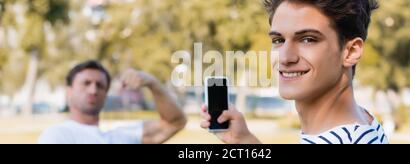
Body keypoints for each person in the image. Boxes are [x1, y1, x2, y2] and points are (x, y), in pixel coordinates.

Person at [200, 0, 388, 144]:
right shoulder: (363, 122)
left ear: (351, 51)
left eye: (308, 39)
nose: (285, 57)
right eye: (278, 40)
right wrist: (244, 140)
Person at [39, 60, 186, 144]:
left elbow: (175, 122)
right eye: (86, 83)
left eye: (100, 85)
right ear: (69, 91)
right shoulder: (57, 134)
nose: (93, 90)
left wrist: (153, 84)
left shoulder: (122, 135)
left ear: (106, 93)